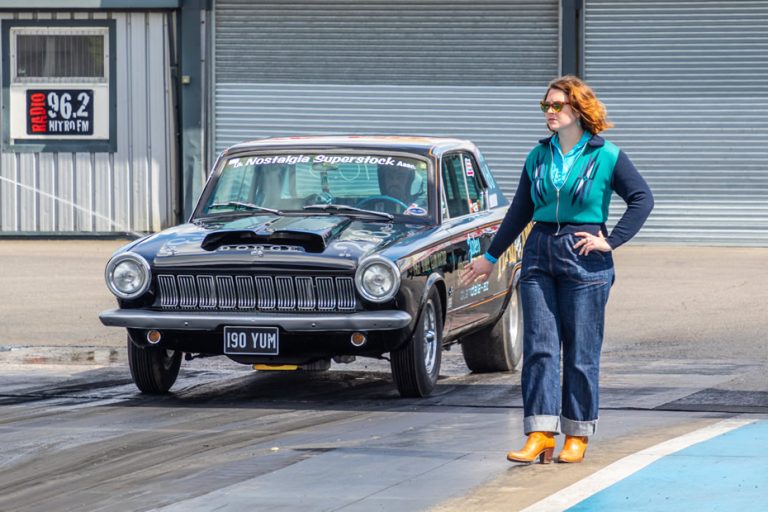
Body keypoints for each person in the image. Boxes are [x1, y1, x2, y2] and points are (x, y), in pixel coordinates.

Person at [461, 75, 653, 464]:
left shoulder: (607, 155)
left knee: (581, 352)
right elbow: (520, 210)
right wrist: (491, 257)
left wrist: (610, 240)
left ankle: (577, 433)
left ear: (578, 110)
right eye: (545, 106)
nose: (549, 113)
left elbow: (641, 198)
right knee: (540, 348)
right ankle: (540, 433)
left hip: (586, 257)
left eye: (556, 105)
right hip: (539, 253)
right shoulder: (538, 156)